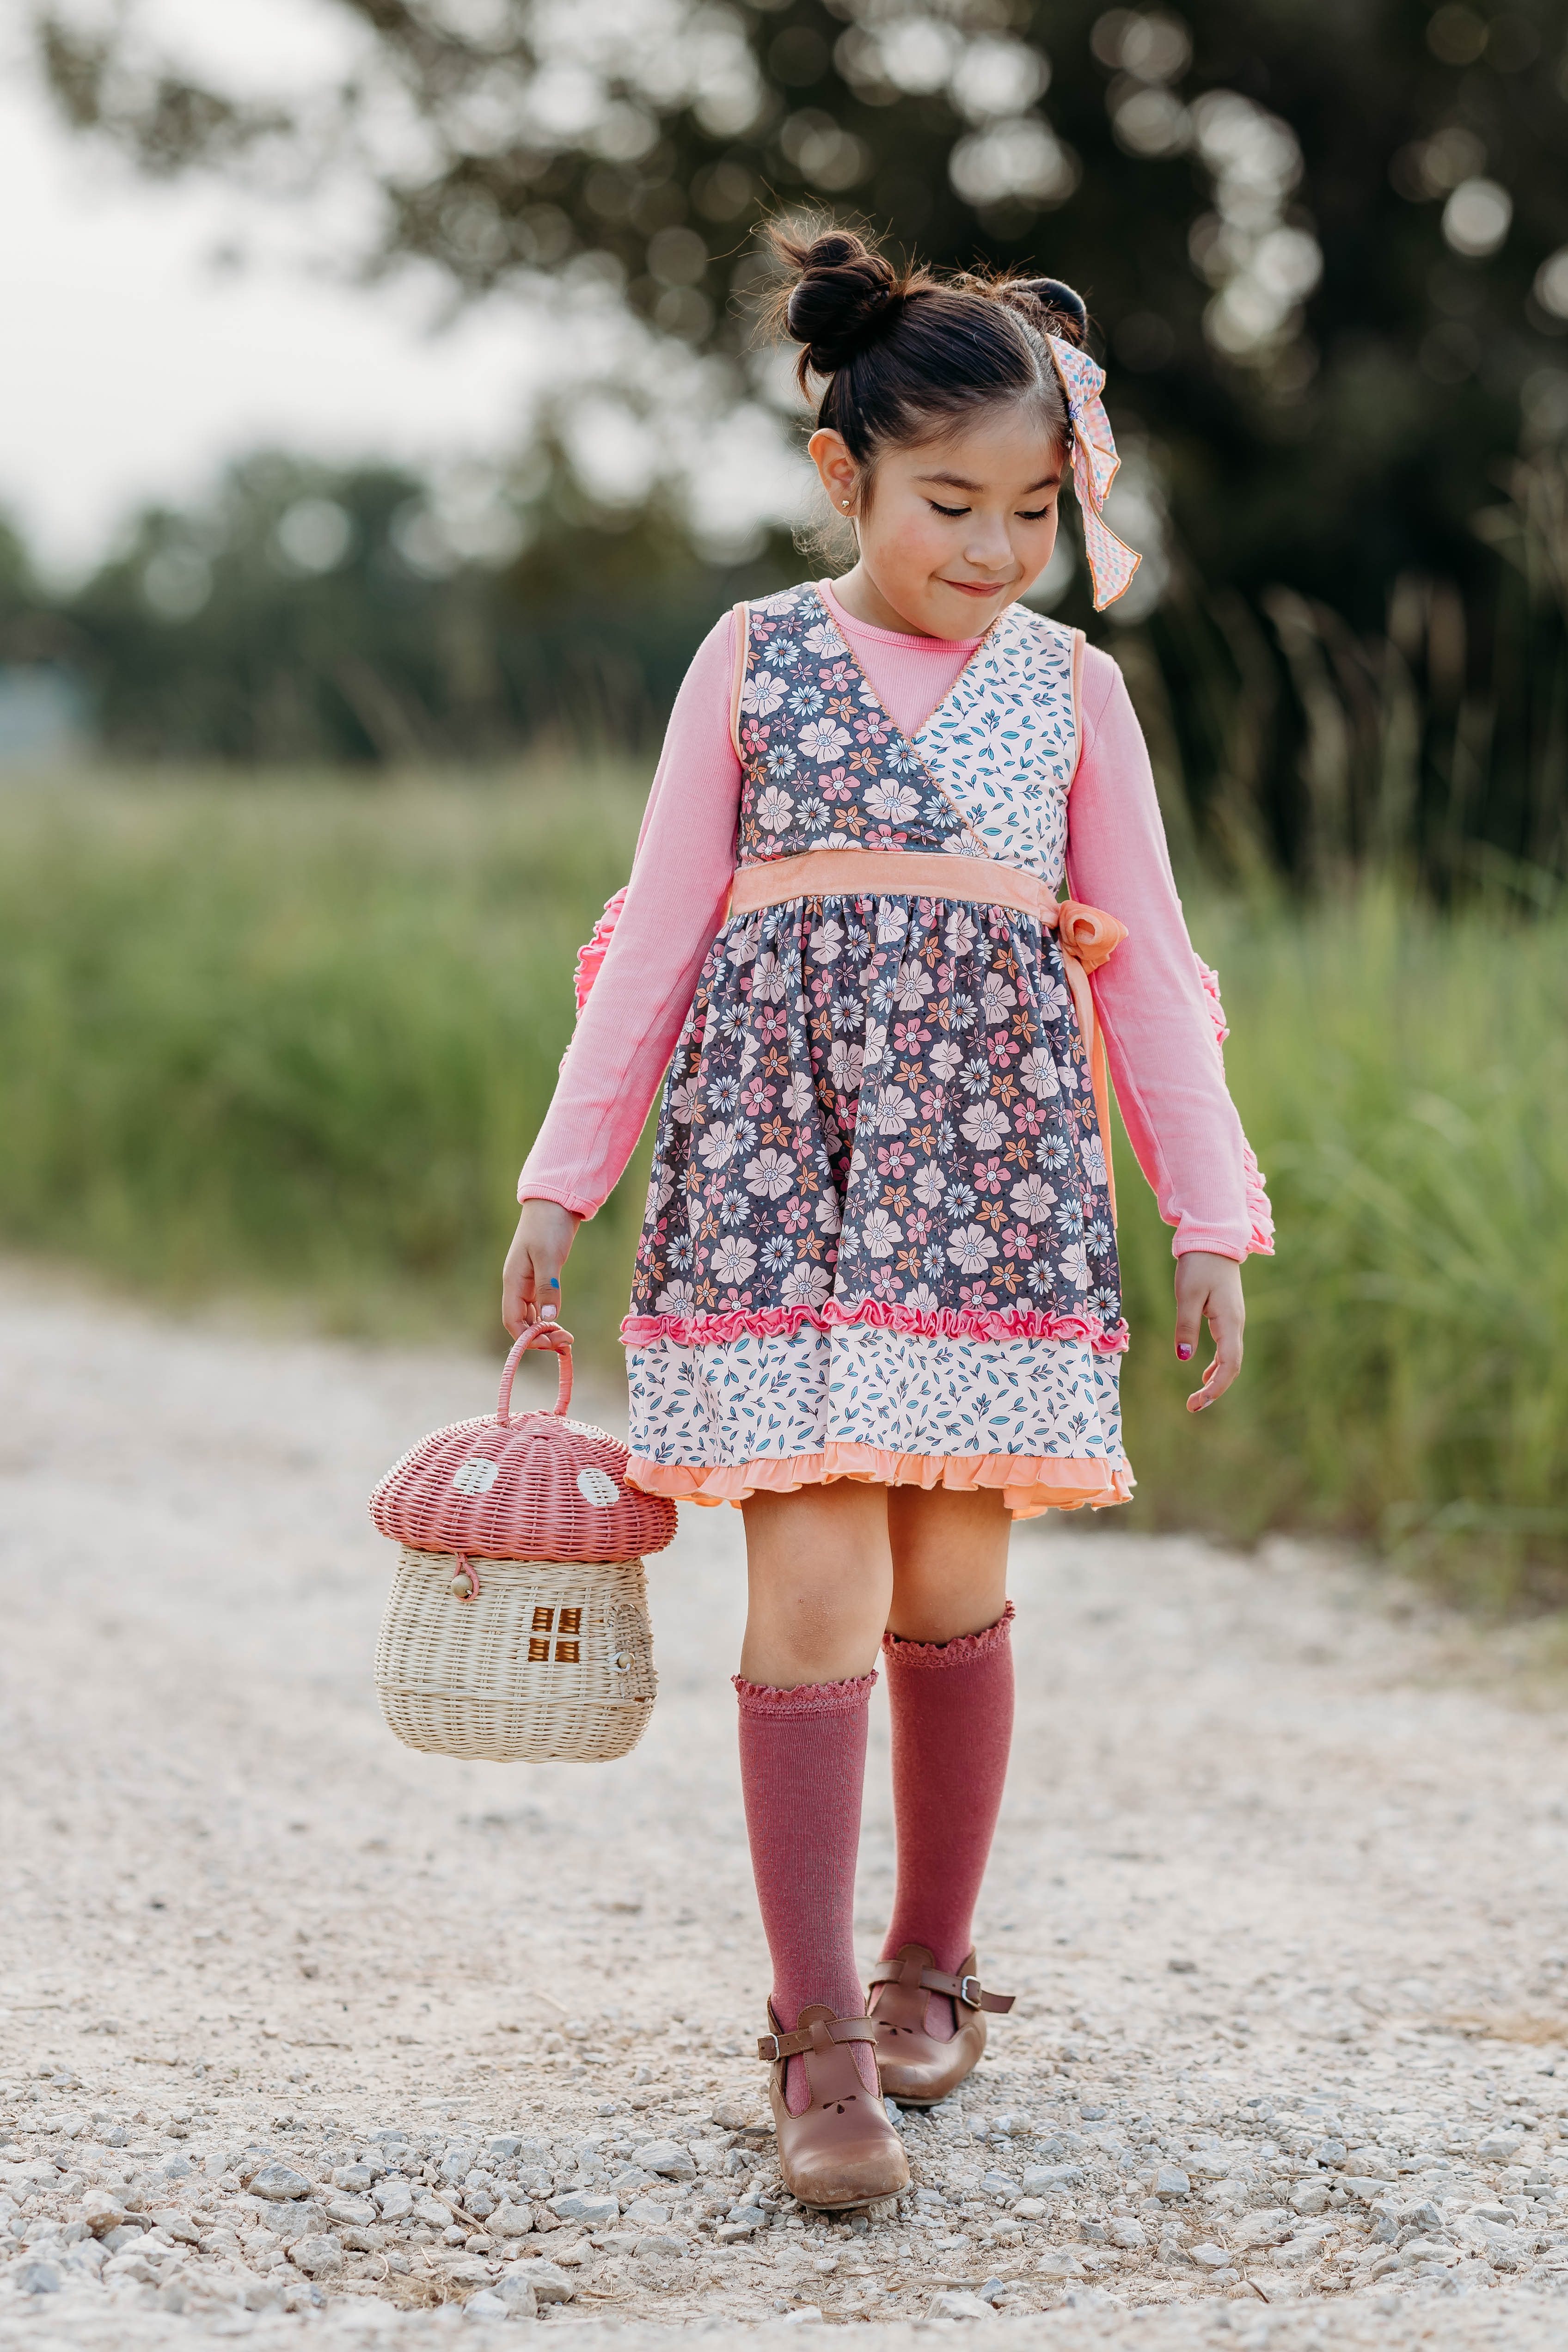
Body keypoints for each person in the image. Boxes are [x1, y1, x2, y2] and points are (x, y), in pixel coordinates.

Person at [502, 226, 1273, 2210]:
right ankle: (815, 2032)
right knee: (812, 1590)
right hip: (772, 1183)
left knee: (947, 1584)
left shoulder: (1073, 694)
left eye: (1032, 509)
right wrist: (561, 1176)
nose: (995, 547)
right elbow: (661, 930)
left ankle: (933, 1959)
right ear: (842, 476)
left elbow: (1149, 969)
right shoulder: (749, 660)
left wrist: (1204, 1208)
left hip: (993, 1202)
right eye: (949, 504)